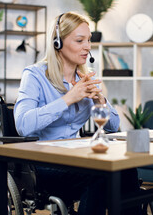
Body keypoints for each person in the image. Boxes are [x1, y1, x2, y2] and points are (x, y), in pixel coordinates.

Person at [14, 12, 141, 215]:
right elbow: (23, 125)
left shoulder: (84, 77)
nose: (87, 47)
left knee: (126, 169)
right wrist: (69, 98)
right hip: (44, 166)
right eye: (80, 40)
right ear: (58, 42)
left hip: (76, 158)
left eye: (88, 40)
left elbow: (113, 126)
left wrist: (101, 102)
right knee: (99, 175)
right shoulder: (34, 75)